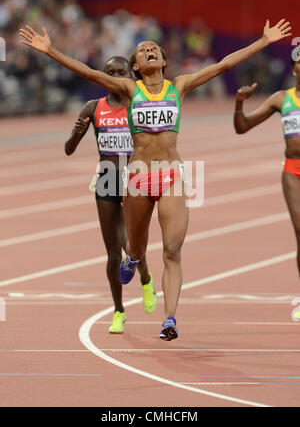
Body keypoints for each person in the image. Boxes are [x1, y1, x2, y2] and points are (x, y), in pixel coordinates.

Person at [20, 18, 292, 340]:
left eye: (154, 49)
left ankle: (169, 318)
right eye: (142, 50)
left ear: (163, 61)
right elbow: (89, 72)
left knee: (172, 250)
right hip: (138, 177)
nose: (149, 50)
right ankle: (134, 258)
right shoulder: (129, 88)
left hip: (171, 174)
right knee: (135, 245)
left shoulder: (179, 86)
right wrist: (50, 50)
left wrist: (263, 41)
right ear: (136, 65)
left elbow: (223, 64)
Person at [64, 56, 157, 334]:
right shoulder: (93, 108)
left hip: (134, 180)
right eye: (110, 72)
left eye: (121, 71)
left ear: (131, 74)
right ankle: (119, 311)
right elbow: (69, 149)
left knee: (131, 245)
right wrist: (77, 134)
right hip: (106, 179)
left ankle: (146, 279)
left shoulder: (137, 105)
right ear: (102, 76)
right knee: (113, 253)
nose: (116, 75)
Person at [233, 51, 300, 292]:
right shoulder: (281, 99)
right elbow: (243, 127)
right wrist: (240, 102)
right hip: (293, 171)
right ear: (293, 69)